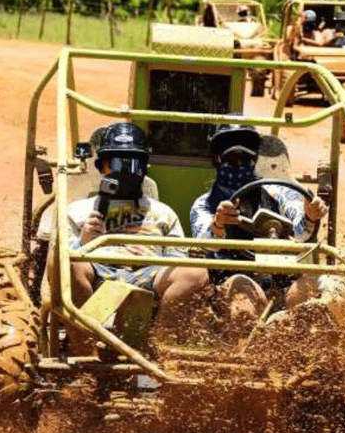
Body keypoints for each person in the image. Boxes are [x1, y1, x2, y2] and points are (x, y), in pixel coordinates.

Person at [67, 122, 210, 346]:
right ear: (100, 167)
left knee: (196, 272)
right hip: (96, 273)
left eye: (132, 164)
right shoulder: (77, 210)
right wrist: (82, 243)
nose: (124, 172)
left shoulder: (163, 212)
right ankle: (83, 350)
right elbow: (54, 265)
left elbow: (178, 259)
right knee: (69, 264)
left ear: (144, 169)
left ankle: (160, 346)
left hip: (149, 275)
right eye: (115, 164)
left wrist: (154, 259)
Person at [190, 124, 329, 322]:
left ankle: (294, 337)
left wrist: (310, 214)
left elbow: (301, 231)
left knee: (311, 294)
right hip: (232, 280)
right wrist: (218, 224)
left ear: (255, 161)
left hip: (282, 278)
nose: (239, 165)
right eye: (231, 160)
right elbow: (204, 240)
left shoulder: (278, 193)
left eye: (245, 159)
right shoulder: (204, 205)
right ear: (217, 161)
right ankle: (251, 345)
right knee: (243, 303)